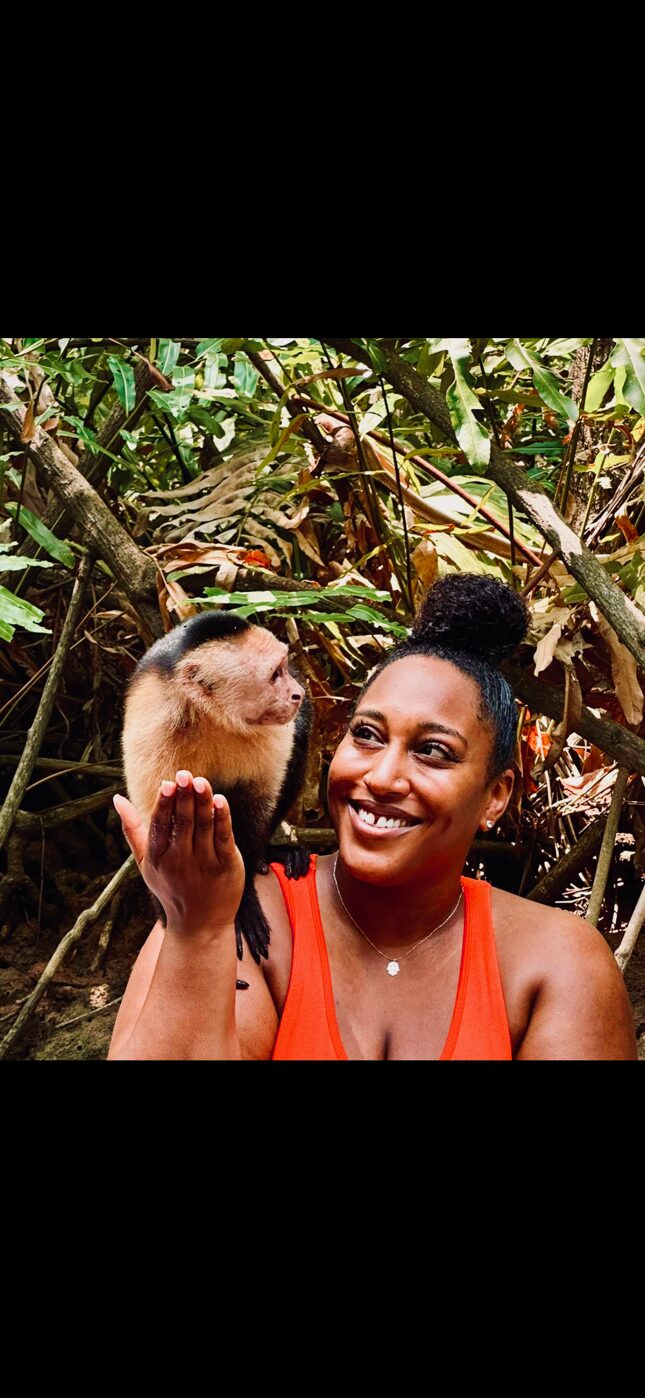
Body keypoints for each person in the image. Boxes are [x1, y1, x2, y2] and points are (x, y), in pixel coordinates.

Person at [107, 576, 638, 1061]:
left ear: (496, 797)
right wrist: (196, 930)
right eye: (366, 735)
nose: (383, 778)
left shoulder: (556, 963)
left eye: (433, 750)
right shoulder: (221, 909)